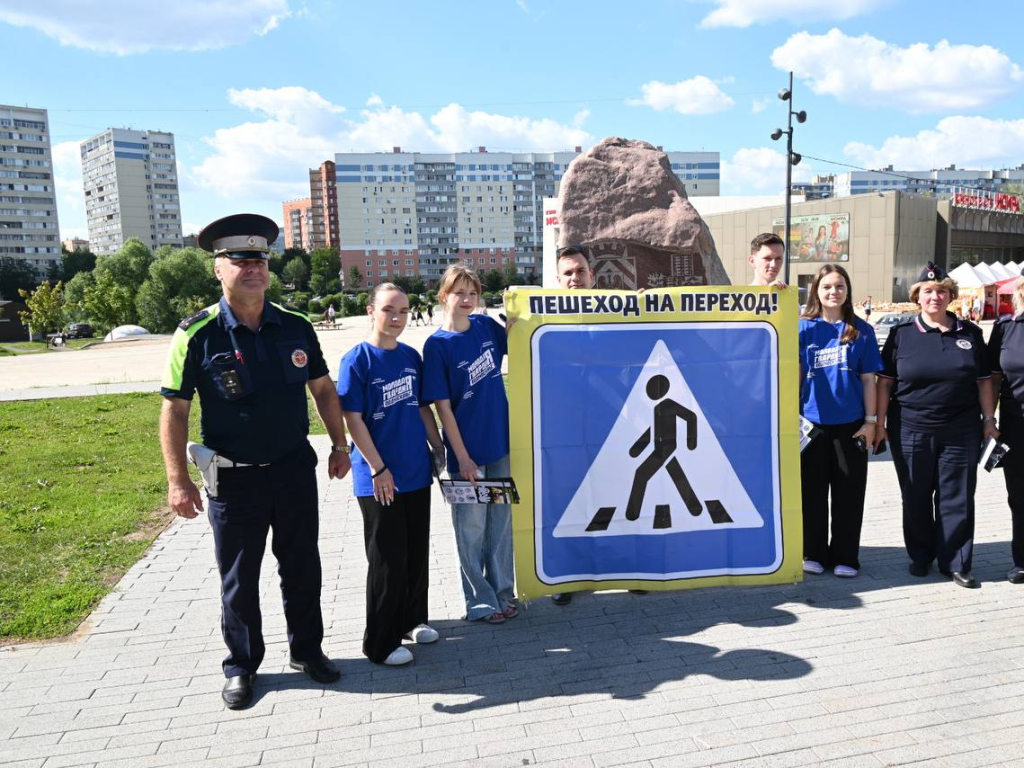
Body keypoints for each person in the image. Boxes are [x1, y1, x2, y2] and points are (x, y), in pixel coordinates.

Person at [159, 213, 351, 709]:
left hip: (292, 472)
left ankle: (308, 651)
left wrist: (339, 444)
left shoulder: (295, 326)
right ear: (217, 269)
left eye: (260, 259)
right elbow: (174, 410)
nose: (252, 268)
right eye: (239, 259)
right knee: (240, 578)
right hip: (232, 479)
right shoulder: (196, 333)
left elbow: (324, 391)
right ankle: (242, 666)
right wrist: (178, 481)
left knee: (303, 567)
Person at [338, 283, 446, 665]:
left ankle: (412, 620)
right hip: (379, 477)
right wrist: (377, 468)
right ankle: (380, 643)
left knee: (416, 551)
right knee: (388, 558)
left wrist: (438, 446)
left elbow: (421, 408)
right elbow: (353, 418)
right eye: (388, 310)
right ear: (371, 311)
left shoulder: (410, 357)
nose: (397, 317)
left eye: (403, 310)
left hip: (415, 471)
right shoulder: (357, 360)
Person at [875, 262, 998, 589]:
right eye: (928, 291)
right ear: (917, 296)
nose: (935, 297)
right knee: (915, 495)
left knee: (956, 496)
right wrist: (879, 424)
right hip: (910, 428)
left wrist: (989, 421)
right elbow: (885, 384)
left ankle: (955, 561)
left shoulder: (970, 334)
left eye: (942, 291)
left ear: (950, 296)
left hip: (962, 429)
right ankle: (920, 555)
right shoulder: (901, 336)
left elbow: (985, 382)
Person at [423, 264, 516, 624]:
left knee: (500, 522)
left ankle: (503, 592)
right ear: (444, 296)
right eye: (459, 292)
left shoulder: (484, 327)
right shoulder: (437, 346)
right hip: (468, 453)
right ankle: (480, 602)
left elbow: (520, 337)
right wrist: (460, 457)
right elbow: (442, 407)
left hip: (501, 444)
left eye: (472, 293)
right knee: (471, 527)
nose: (466, 299)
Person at [799, 265, 883, 578]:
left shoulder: (861, 330)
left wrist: (871, 421)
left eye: (840, 286)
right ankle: (814, 552)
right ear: (816, 291)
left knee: (849, 493)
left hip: (851, 425)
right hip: (812, 425)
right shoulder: (802, 328)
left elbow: (868, 380)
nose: (833, 292)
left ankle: (847, 556)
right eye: (827, 287)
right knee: (812, 493)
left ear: (847, 290)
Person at [986, 271, 1024, 584]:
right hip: (1016, 428)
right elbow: (994, 379)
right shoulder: (1005, 328)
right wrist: (989, 421)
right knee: (1019, 497)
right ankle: (1021, 560)